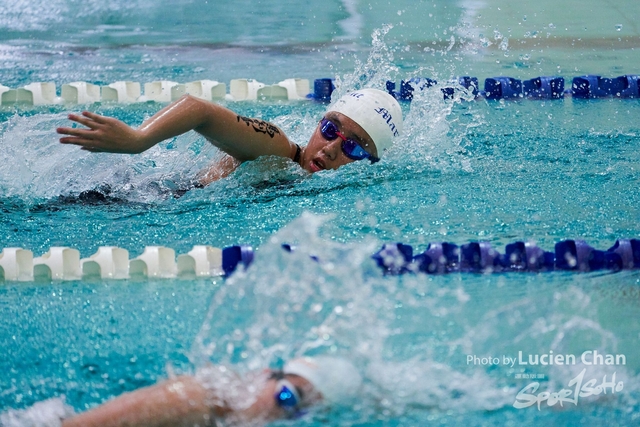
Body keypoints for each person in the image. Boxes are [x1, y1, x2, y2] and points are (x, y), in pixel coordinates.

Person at [56, 88, 403, 187]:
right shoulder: (277, 149)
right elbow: (198, 109)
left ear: (368, 164)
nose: (330, 148)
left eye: (353, 147)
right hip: (138, 197)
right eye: (330, 130)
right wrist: (138, 139)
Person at [0, 356, 362, 427]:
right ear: (263, 374)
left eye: (301, 417)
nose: (281, 417)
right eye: (287, 397)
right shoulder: (196, 399)